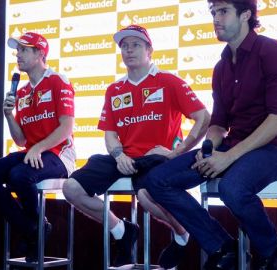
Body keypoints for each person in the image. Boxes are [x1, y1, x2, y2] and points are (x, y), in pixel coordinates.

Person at [145, 0, 277, 269]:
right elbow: (218, 124)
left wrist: (227, 158)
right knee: (158, 180)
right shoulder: (221, 66)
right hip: (233, 146)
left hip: (274, 149)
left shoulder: (274, 53)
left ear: (246, 15)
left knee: (232, 188)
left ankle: (269, 248)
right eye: (213, 12)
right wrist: (209, 151)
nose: (216, 18)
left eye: (223, 11)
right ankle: (223, 246)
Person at [62, 24, 210, 268]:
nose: (129, 50)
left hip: (156, 158)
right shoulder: (114, 89)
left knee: (146, 194)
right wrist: (118, 154)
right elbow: (110, 135)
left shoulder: (168, 81)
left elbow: (203, 117)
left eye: (136, 45)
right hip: (125, 158)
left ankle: (182, 234)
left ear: (150, 50)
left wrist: (177, 152)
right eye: (124, 46)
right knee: (71, 188)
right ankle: (122, 231)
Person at [0, 32, 76, 262]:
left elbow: (66, 128)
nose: (17, 54)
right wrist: (9, 115)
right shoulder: (21, 92)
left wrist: (38, 148)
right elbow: (20, 140)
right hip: (32, 152)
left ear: (40, 53)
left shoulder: (59, 80)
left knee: (19, 176)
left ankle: (34, 230)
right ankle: (34, 228)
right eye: (16, 50)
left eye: (23, 50)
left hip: (59, 154)